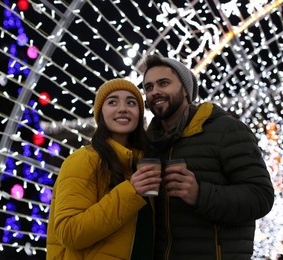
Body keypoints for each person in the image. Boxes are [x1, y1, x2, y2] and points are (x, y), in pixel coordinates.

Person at [141, 54, 275, 260]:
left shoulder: (226, 130)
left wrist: (199, 194)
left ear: (186, 90)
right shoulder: (149, 145)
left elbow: (261, 197)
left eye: (164, 83)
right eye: (148, 87)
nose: (155, 91)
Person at [46, 78, 160, 259]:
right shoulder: (83, 160)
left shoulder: (139, 164)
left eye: (131, 103)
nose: (123, 108)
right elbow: (70, 231)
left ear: (139, 114)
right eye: (112, 102)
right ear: (100, 113)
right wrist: (131, 192)